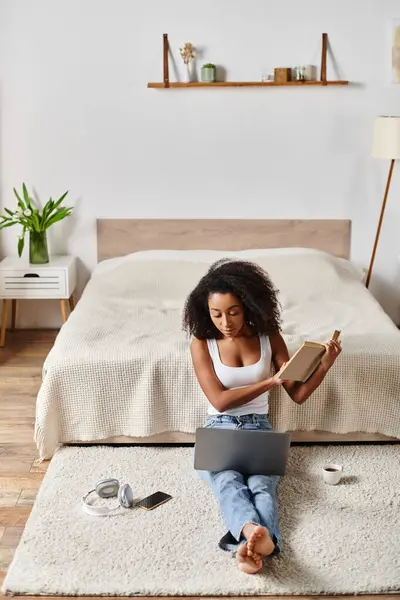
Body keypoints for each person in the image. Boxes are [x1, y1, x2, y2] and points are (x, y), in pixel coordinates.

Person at [182, 258, 342, 574]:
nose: (225, 322)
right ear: (205, 311)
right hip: (220, 427)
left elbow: (297, 394)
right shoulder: (202, 343)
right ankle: (261, 540)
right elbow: (220, 400)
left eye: (233, 312)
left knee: (261, 486)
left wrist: (324, 364)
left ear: (248, 305)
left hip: (259, 427)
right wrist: (269, 381)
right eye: (216, 314)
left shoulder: (269, 336)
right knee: (228, 482)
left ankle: (249, 543)